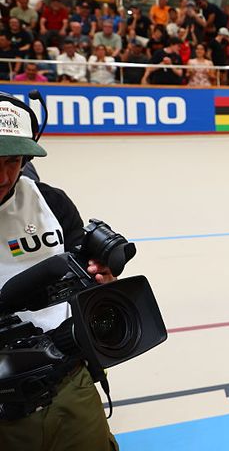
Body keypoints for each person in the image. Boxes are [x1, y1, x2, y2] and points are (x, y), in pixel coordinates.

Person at [0, 93, 119, 449]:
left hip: (66, 379)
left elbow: (82, 282)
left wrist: (101, 282)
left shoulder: (52, 202)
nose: (4, 176)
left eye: (14, 160)